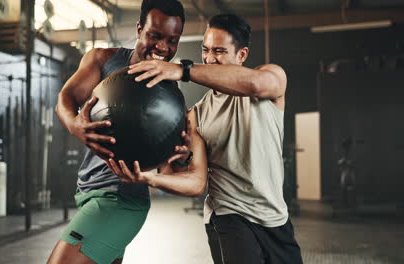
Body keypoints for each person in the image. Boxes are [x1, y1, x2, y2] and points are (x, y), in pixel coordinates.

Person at [109, 13, 303, 264]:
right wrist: (152, 177)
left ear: (241, 55)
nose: (210, 58)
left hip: (276, 218)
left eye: (219, 51)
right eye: (206, 50)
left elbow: (256, 84)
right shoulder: (196, 116)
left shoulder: (270, 78)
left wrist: (183, 70)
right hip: (230, 217)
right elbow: (197, 183)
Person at [48, 1, 188, 264]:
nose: (162, 48)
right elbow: (65, 98)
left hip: (120, 201)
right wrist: (75, 125)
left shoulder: (171, 95)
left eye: (172, 40)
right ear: (139, 29)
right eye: (154, 36)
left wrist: (182, 157)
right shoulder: (103, 59)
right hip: (87, 192)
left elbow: (169, 172)